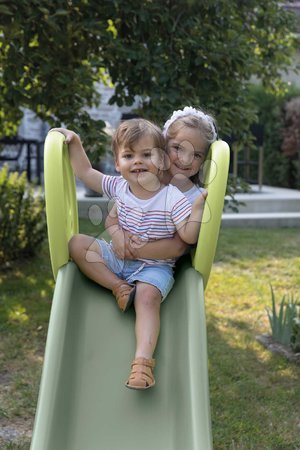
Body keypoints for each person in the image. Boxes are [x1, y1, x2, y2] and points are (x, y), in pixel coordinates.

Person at [49, 118, 206, 390]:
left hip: (153, 267)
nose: (137, 162)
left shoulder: (172, 197)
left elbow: (188, 238)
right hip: (117, 260)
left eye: (147, 155)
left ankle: (142, 363)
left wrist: (198, 211)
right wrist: (74, 141)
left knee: (147, 297)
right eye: (128, 156)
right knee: (77, 243)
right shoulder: (119, 187)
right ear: (118, 162)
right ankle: (118, 287)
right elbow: (85, 172)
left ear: (162, 160)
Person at [107, 105, 217, 264]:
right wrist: (118, 236)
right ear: (163, 146)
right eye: (178, 148)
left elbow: (178, 247)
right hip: (122, 260)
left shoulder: (193, 197)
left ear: (203, 161)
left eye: (197, 155)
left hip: (157, 268)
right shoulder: (144, 176)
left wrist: (129, 249)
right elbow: (113, 216)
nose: (185, 159)